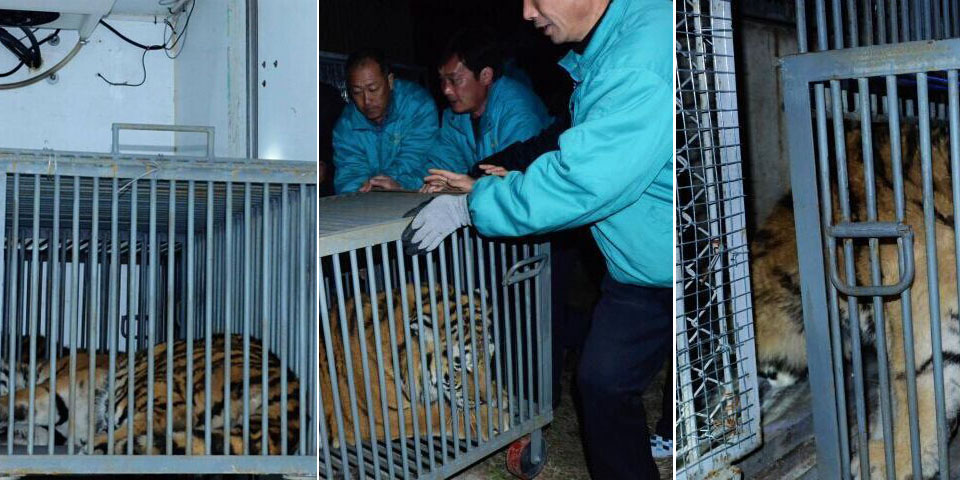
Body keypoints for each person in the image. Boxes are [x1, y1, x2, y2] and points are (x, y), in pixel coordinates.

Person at [403, 0, 672, 478]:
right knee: (602, 380)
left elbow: (581, 179)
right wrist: (479, 181)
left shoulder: (637, 59)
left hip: (678, 259)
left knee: (668, 375)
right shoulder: (610, 49)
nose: (526, 12)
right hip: (641, 260)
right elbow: (561, 139)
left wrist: (474, 204)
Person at [427, 27, 551, 175]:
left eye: (454, 80)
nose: (446, 90)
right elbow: (442, 167)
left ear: (485, 75)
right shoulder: (454, 117)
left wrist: (473, 183)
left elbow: (518, 177)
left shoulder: (517, 111)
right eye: (443, 81)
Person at [332, 49, 438, 193]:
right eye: (357, 92)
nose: (367, 100)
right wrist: (359, 192)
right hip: (369, 203)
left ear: (390, 81)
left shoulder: (418, 104)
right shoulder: (346, 126)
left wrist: (397, 185)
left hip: (418, 194)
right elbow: (349, 173)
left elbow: (420, 159)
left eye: (373, 89)